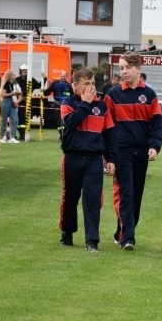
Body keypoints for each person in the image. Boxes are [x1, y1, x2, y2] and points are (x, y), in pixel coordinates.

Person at [103, 51, 162, 250]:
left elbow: (156, 124)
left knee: (136, 196)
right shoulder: (113, 94)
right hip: (121, 152)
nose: (124, 72)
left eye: (127, 67)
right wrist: (108, 155)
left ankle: (121, 229)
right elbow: (106, 126)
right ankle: (128, 238)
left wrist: (154, 147)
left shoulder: (150, 95)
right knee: (126, 193)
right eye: (121, 68)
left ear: (139, 69)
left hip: (142, 153)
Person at [59, 67, 116, 252]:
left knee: (92, 200)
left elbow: (109, 136)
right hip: (72, 158)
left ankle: (92, 241)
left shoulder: (102, 107)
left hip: (94, 159)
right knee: (71, 198)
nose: (92, 88)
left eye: (93, 84)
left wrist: (110, 159)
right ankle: (67, 233)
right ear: (75, 85)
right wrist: (85, 104)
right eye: (87, 84)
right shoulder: (68, 103)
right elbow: (70, 123)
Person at [16, 64, 46, 138]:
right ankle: (21, 133)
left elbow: (39, 85)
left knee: (26, 118)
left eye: (25, 71)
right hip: (18, 101)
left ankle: (24, 133)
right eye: (23, 71)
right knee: (18, 118)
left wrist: (44, 78)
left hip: (28, 101)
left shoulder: (31, 80)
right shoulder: (16, 80)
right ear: (20, 71)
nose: (24, 72)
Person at [0, 70, 22, 143]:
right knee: (4, 120)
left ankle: (12, 136)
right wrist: (12, 93)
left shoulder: (13, 84)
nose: (14, 76)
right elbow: (3, 95)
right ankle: (2, 136)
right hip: (6, 101)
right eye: (13, 75)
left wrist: (15, 94)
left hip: (12, 101)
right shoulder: (6, 83)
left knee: (15, 120)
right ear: (9, 76)